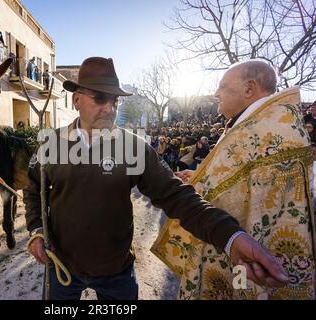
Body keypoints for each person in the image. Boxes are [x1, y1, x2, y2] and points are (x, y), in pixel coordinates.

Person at [24, 57, 288, 301]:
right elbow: (33, 188)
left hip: (115, 273)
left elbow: (177, 196)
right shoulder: (51, 144)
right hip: (61, 269)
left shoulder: (134, 148)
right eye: (100, 98)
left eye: (115, 101)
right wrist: (36, 230)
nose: (109, 108)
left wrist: (230, 236)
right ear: (77, 101)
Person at [153, 59, 315, 300]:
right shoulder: (250, 127)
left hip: (248, 263)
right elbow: (235, 184)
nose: (215, 93)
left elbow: (260, 220)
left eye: (222, 86)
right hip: (228, 246)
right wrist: (198, 178)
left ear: (249, 89)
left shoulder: (273, 138)